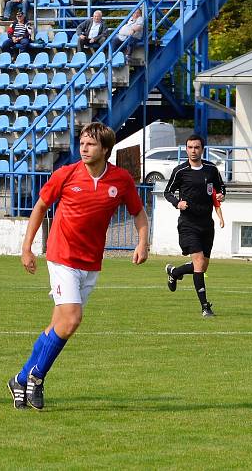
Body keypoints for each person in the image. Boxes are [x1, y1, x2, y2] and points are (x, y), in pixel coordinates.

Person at [8, 122, 148, 410]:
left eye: (91, 144)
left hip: (91, 262)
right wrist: (27, 247)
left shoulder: (121, 180)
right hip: (62, 256)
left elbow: (139, 213)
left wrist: (142, 242)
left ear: (105, 149)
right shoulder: (66, 174)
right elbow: (40, 207)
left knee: (58, 324)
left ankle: (20, 379)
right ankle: (37, 377)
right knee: (72, 319)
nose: (84, 148)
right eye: (82, 142)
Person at [163, 134, 226, 317]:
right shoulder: (180, 171)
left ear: (202, 149)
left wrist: (222, 195)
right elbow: (168, 192)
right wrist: (177, 203)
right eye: (190, 147)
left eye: (196, 147)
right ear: (186, 149)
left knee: (202, 266)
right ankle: (205, 307)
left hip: (207, 224)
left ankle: (174, 272)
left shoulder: (211, 169)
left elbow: (221, 188)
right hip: (188, 224)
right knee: (198, 263)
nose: (193, 151)